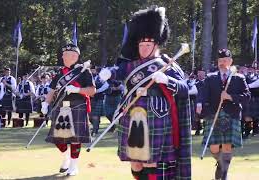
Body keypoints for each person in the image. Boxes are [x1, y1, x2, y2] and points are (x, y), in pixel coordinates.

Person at [99, 6, 191, 179]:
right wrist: (109, 72)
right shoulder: (131, 64)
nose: (143, 48)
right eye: (141, 45)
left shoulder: (166, 64)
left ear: (156, 45)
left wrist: (167, 80)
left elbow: (184, 89)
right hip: (132, 115)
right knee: (136, 161)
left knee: (151, 161)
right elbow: (118, 71)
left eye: (147, 45)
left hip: (157, 116)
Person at [42, 43, 95, 176]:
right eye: (63, 54)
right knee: (58, 138)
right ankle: (66, 158)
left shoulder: (84, 70)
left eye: (66, 54)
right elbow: (52, 89)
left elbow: (92, 91)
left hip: (78, 105)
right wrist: (45, 103)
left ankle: (73, 165)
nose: (63, 57)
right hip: (61, 106)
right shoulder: (60, 72)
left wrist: (77, 89)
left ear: (75, 56)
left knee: (75, 138)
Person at [196, 48, 251, 180]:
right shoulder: (210, 78)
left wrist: (230, 97)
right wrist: (199, 104)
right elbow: (203, 94)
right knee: (214, 147)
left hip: (231, 114)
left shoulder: (239, 78)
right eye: (220, 60)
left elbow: (247, 96)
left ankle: (224, 174)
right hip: (213, 114)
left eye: (225, 60)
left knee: (227, 145)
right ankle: (221, 165)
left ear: (230, 61)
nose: (222, 63)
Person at [89, 68, 109, 136]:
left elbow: (106, 86)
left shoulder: (103, 80)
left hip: (99, 98)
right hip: (91, 98)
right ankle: (96, 124)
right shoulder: (91, 77)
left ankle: (95, 130)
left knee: (95, 115)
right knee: (90, 116)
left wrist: (95, 92)